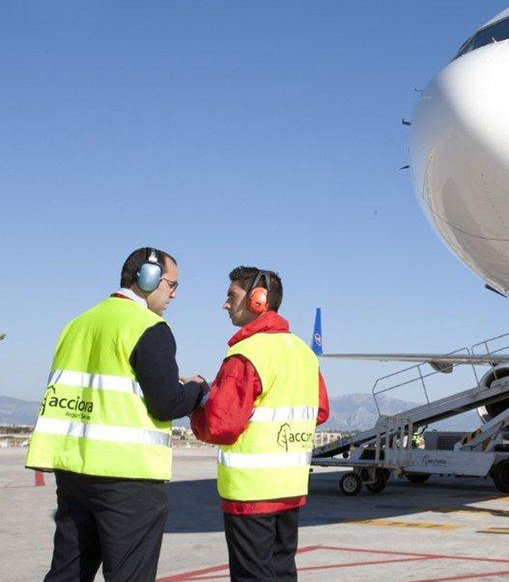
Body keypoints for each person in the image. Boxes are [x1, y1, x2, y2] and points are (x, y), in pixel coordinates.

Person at [25, 247, 208, 582]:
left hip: (74, 471)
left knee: (68, 572)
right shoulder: (149, 327)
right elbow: (167, 404)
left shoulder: (78, 324)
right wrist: (197, 389)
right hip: (127, 478)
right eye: (171, 284)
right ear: (147, 278)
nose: (174, 294)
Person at [191, 266, 329, 581]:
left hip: (251, 493)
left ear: (258, 300)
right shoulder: (304, 354)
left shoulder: (246, 355)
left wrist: (199, 403)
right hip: (290, 489)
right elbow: (319, 411)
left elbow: (219, 426)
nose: (225, 304)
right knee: (282, 573)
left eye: (231, 296)